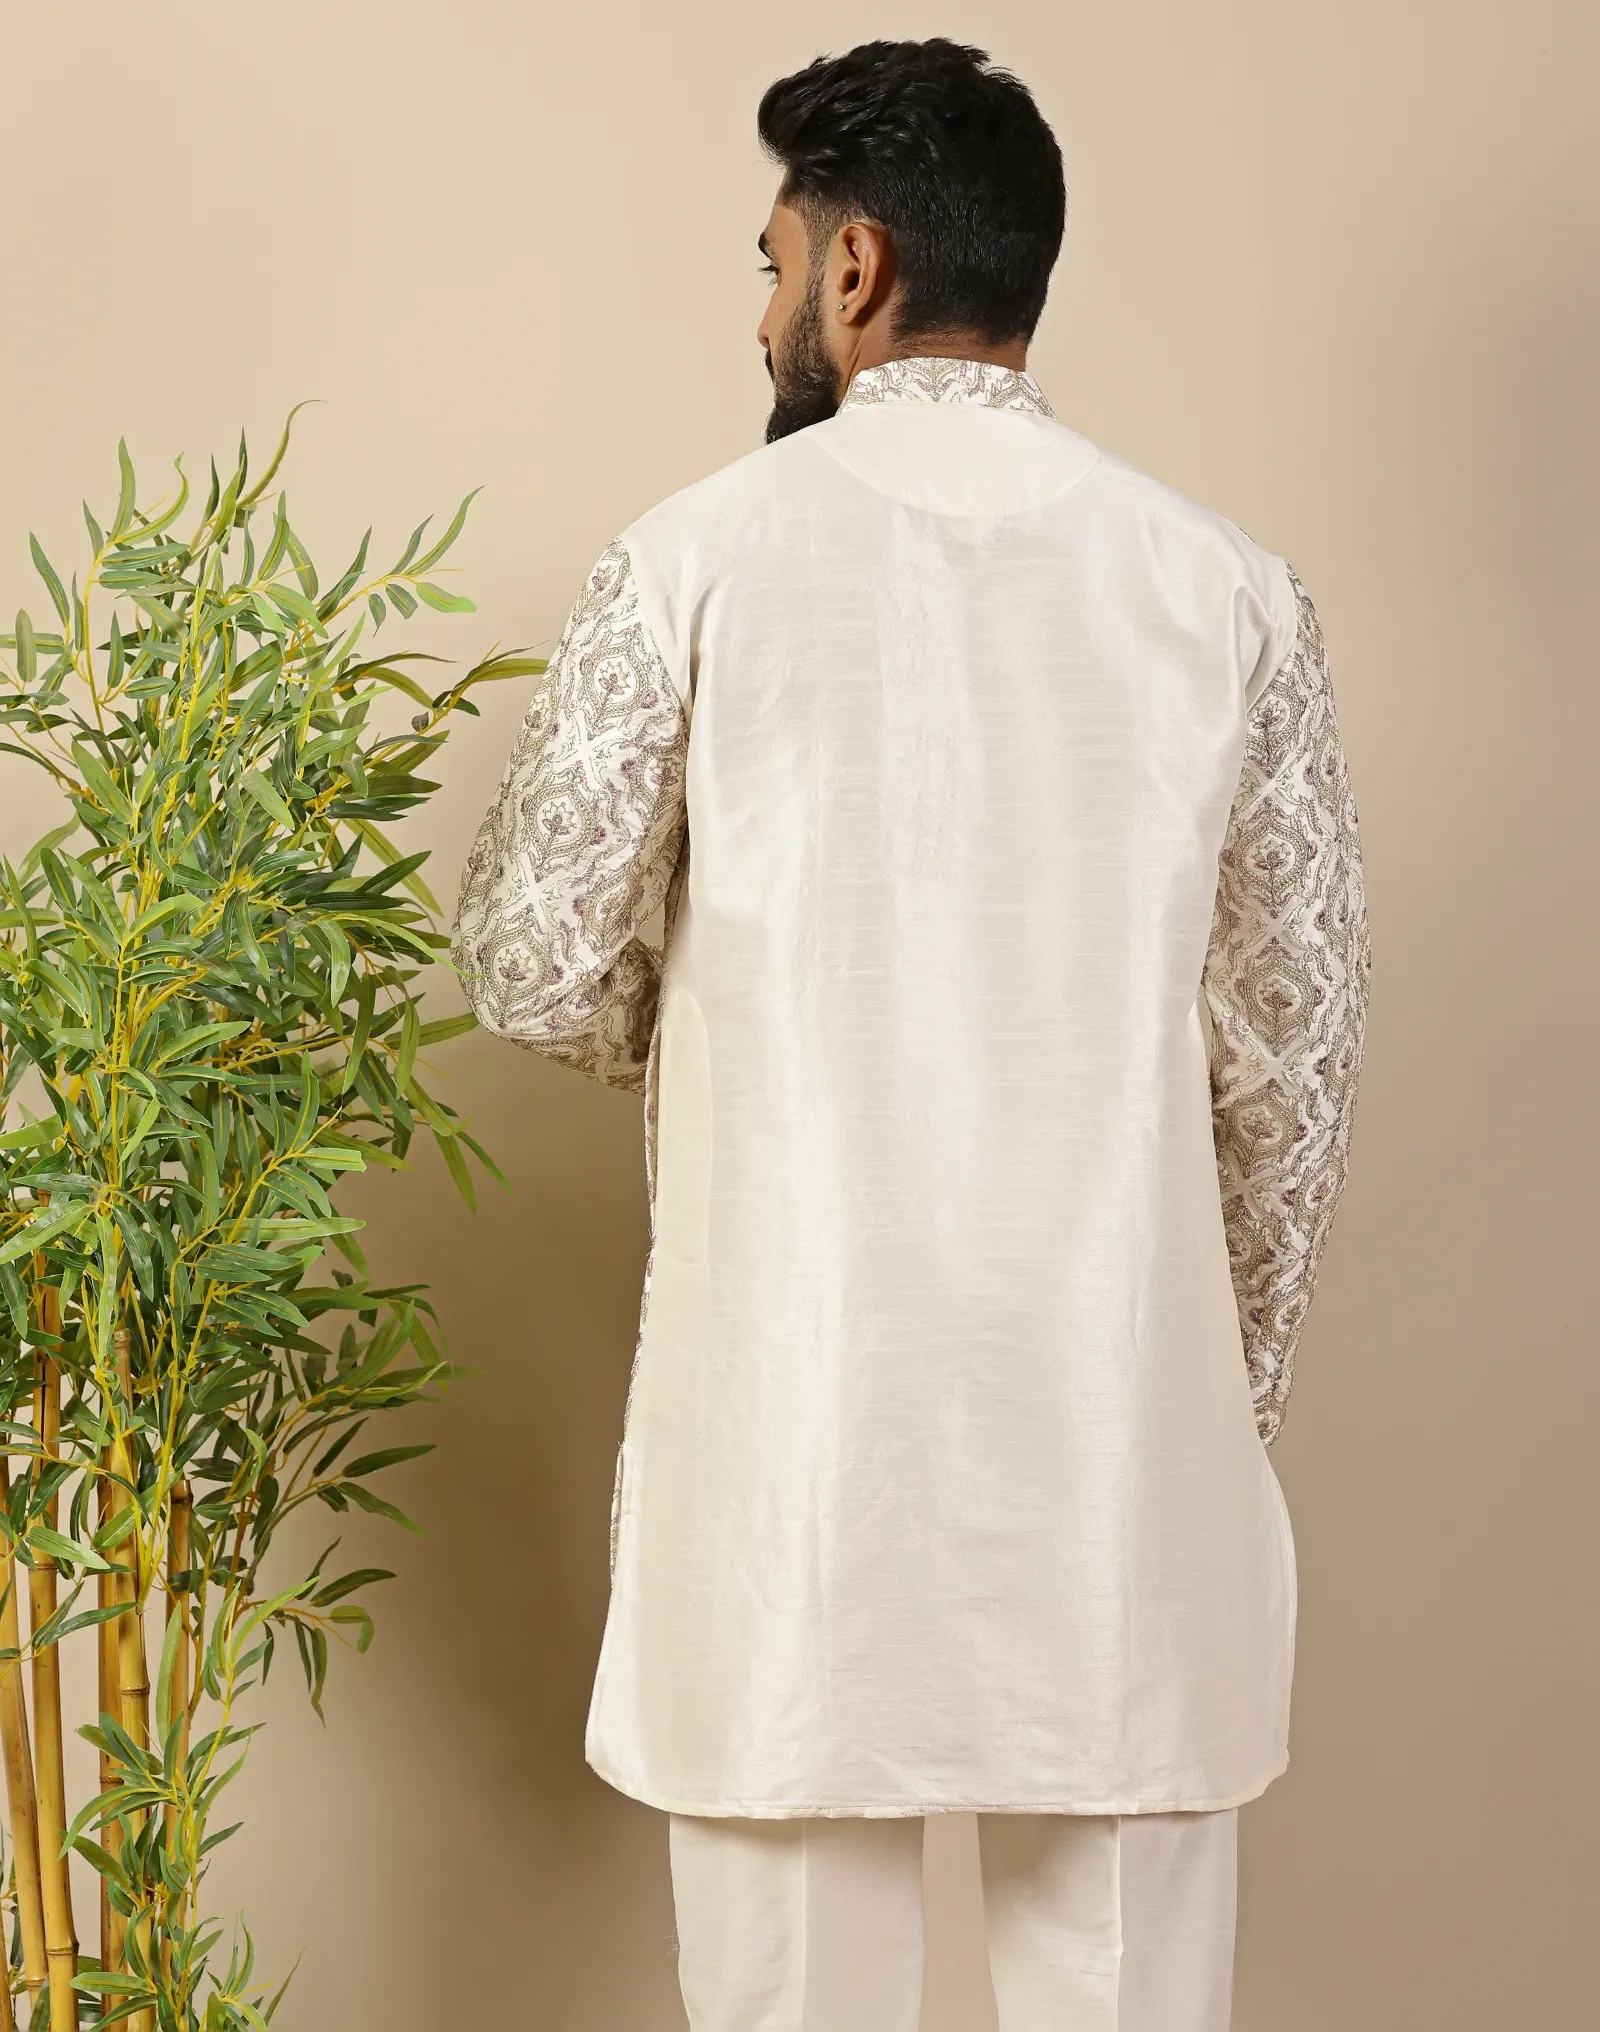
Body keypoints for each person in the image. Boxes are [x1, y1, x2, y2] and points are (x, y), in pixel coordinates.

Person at [452, 35, 1371, 2032]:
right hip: (1116, 1444)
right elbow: (1287, 1064)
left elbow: (530, 962)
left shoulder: (688, 559)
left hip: (793, 1441)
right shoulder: (1226, 589)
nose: (760, 305)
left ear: (852, 266)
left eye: (769, 256)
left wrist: (727, 1023)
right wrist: (1211, 1402)